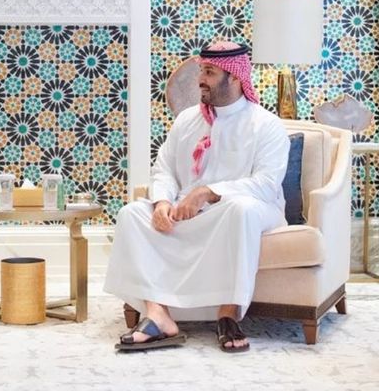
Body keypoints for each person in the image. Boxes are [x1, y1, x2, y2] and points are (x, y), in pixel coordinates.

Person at [104, 42, 290, 353]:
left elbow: (266, 185)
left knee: (240, 209)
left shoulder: (266, 125)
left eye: (209, 72)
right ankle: (158, 315)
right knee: (131, 214)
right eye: (201, 71)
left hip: (246, 211)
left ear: (235, 77)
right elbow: (164, 169)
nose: (200, 79)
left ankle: (228, 314)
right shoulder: (187, 120)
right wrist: (162, 202)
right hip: (190, 214)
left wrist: (208, 193)